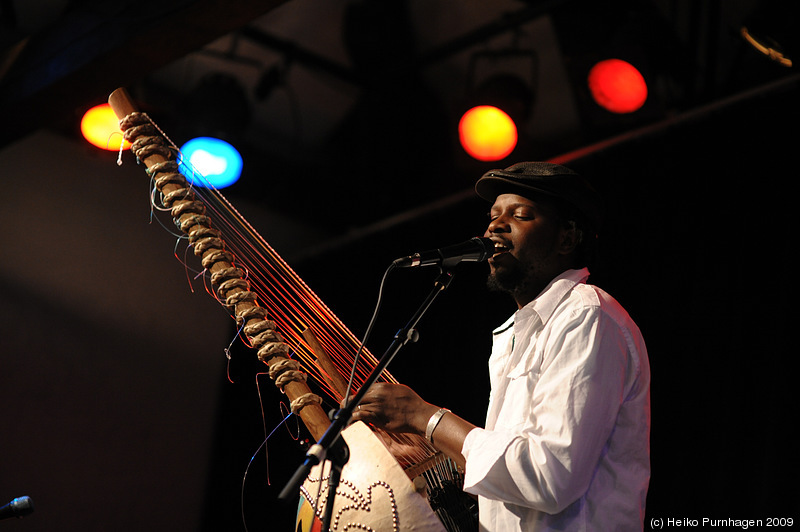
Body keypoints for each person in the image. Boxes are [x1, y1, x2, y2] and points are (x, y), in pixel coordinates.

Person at [349, 161, 651, 531]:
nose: (495, 225)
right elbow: (517, 483)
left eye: (520, 215)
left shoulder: (587, 315)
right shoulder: (516, 335)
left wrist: (425, 418)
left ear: (567, 238)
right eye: (492, 216)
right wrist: (422, 458)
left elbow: (548, 475)